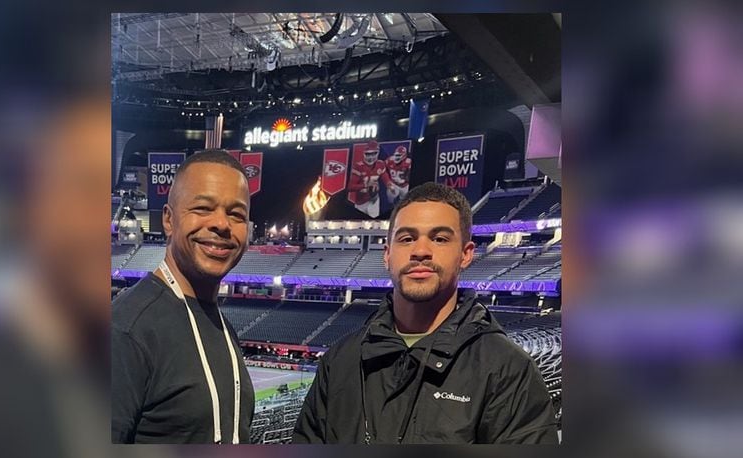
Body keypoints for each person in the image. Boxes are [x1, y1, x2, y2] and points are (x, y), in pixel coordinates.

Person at [293, 182, 557, 444]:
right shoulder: (340, 361)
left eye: (440, 239)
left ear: (465, 255)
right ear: (387, 255)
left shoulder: (508, 371)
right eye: (406, 238)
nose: (420, 251)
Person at [112, 150, 255, 444]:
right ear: (168, 219)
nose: (222, 224)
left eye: (236, 214)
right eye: (203, 208)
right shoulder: (125, 330)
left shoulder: (222, 327)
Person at [347, 140, 395, 218]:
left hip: (374, 200)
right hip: (361, 202)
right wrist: (365, 185)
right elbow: (350, 187)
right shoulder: (359, 167)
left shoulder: (380, 164)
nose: (371, 157)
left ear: (378, 153)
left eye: (374, 154)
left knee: (374, 225)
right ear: (364, 154)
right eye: (368, 154)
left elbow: (384, 175)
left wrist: (389, 184)